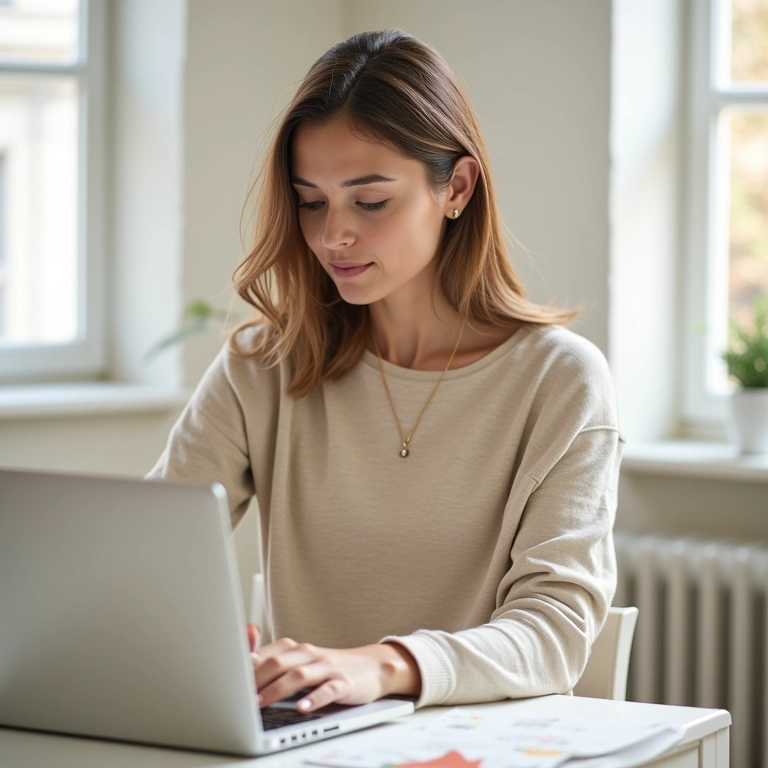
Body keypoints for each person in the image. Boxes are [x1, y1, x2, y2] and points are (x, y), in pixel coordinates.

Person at [147, 29, 624, 715]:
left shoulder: (561, 381)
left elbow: (555, 632)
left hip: (479, 745)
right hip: (306, 747)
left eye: (369, 202)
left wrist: (383, 666)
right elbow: (148, 554)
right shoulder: (266, 366)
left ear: (456, 187)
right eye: (311, 201)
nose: (332, 235)